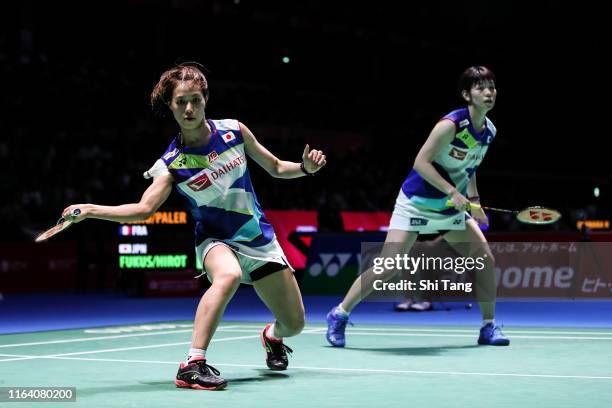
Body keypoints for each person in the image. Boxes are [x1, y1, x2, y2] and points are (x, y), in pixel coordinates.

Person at [62, 62, 327, 390]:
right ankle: (193, 363)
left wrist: (305, 168)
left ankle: (272, 337)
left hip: (258, 237)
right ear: (170, 106)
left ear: (205, 100)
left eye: (195, 100)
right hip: (215, 240)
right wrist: (90, 209)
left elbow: (274, 167)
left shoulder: (234, 132)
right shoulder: (172, 163)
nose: (189, 108)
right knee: (227, 275)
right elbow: (144, 209)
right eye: (180, 102)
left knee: (295, 324)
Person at [326, 66, 509, 347]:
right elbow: (420, 163)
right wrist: (452, 191)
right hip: (416, 205)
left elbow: (469, 169)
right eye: (480, 87)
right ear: (466, 94)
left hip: (450, 210)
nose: (488, 92)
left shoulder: (489, 132)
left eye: (492, 87)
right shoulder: (451, 125)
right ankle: (339, 315)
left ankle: (488, 326)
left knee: (484, 259)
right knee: (388, 265)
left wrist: (474, 202)